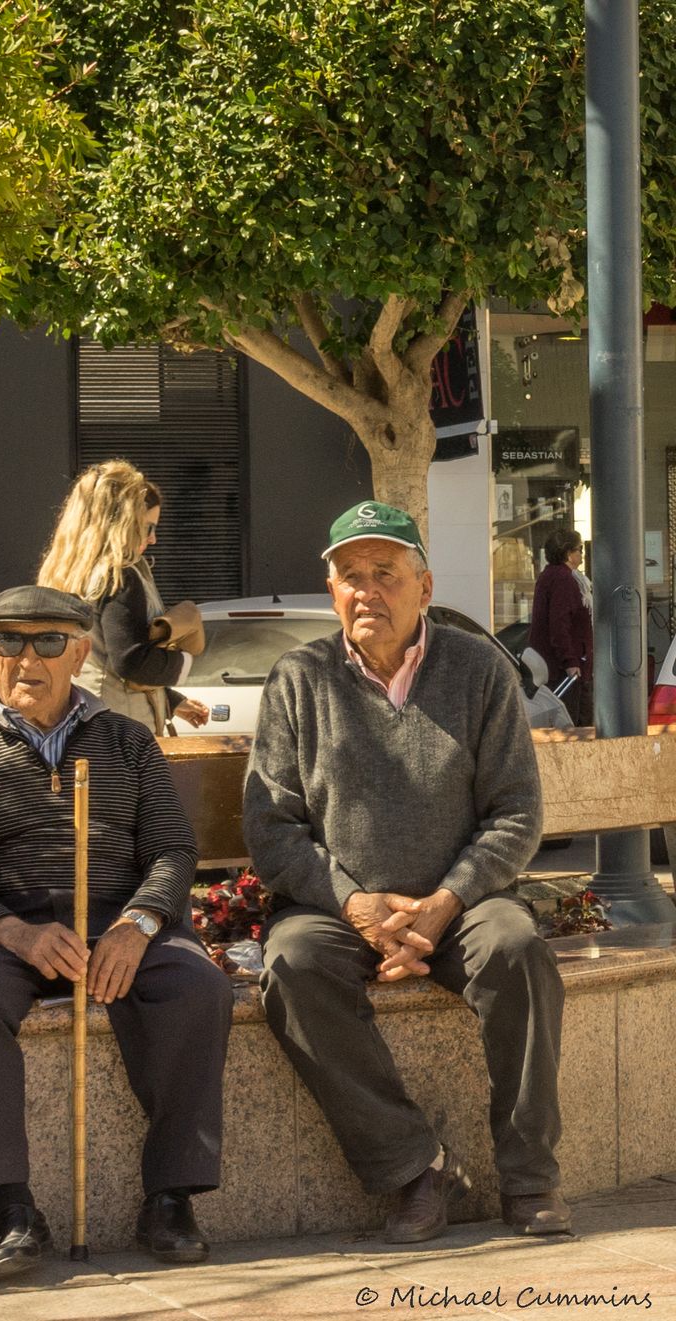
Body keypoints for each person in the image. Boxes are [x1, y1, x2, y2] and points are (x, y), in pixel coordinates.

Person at [243, 501, 569, 1244]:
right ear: (333, 592)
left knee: (517, 949)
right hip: (337, 909)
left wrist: (446, 901)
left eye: (385, 574)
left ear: (424, 587)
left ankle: (530, 1178)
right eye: (350, 576)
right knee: (291, 965)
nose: (367, 591)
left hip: (464, 903)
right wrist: (356, 905)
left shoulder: (478, 669)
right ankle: (413, 1168)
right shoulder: (300, 678)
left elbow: (516, 813)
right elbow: (273, 829)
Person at [0, 584, 232, 1280]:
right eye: (10, 642)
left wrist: (137, 925)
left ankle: (171, 1197)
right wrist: (12, 932)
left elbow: (173, 850)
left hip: (117, 916)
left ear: (80, 653)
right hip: (1, 928)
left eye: (49, 642)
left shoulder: (128, 740)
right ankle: (13, 1209)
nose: (29, 659)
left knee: (197, 987)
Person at [37, 460, 210, 735]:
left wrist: (171, 701)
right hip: (118, 730)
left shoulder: (67, 573)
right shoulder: (119, 575)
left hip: (74, 718)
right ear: (121, 524)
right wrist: (185, 661)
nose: (153, 539)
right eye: (148, 527)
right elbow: (130, 661)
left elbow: (104, 660)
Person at [527, 529, 593, 725]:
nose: (582, 554)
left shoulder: (551, 576)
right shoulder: (563, 580)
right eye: (579, 549)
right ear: (568, 553)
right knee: (575, 722)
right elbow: (559, 623)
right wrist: (570, 661)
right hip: (565, 669)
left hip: (559, 665)